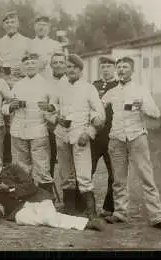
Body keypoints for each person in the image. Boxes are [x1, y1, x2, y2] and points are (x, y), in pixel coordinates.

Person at [101, 56, 161, 232]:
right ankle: (120, 213)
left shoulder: (141, 90)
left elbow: (156, 113)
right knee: (118, 179)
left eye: (125, 67)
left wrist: (143, 106)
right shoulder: (111, 92)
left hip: (137, 137)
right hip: (116, 138)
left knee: (147, 178)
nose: (121, 70)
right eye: (119, 67)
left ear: (132, 70)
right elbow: (98, 108)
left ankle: (157, 217)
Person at [0, 148, 106, 231]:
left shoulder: (13, 168)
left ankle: (87, 224)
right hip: (17, 211)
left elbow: (30, 186)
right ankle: (84, 223)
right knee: (37, 220)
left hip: (36, 199)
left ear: (0, 160)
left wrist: (10, 189)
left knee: (48, 218)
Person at [52, 54, 105, 218]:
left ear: (81, 70)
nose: (71, 70)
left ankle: (91, 211)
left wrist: (89, 133)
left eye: (75, 67)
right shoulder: (60, 88)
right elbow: (54, 108)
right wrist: (54, 115)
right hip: (62, 134)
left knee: (83, 173)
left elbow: (99, 114)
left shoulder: (89, 88)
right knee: (65, 173)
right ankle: (69, 208)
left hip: (80, 135)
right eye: (68, 67)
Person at [2, 53, 56, 196]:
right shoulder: (17, 85)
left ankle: (47, 199)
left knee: (42, 166)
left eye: (33, 63)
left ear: (38, 66)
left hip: (38, 130)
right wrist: (11, 106)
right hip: (18, 130)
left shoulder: (46, 84)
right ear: (23, 67)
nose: (30, 66)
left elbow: (55, 106)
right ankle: (25, 197)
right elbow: (4, 107)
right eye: (27, 64)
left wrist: (49, 107)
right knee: (21, 167)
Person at [90, 56, 118, 217]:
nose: (106, 69)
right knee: (87, 171)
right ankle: (86, 206)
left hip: (112, 135)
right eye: (104, 66)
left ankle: (109, 208)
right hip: (95, 137)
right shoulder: (94, 86)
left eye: (109, 66)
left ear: (114, 68)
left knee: (113, 173)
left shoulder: (119, 86)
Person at [0, 11, 32, 88]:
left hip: (21, 80)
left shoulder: (27, 41)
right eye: (7, 22)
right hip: (2, 81)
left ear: (17, 24)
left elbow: (34, 62)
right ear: (3, 25)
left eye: (13, 22)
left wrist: (23, 69)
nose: (10, 25)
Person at [47, 52, 69, 178]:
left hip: (66, 127)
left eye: (61, 62)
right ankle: (48, 194)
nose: (58, 65)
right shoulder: (46, 83)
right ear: (50, 65)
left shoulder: (71, 82)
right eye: (55, 62)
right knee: (48, 161)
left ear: (66, 64)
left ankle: (70, 193)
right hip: (49, 128)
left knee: (66, 162)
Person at [29, 15, 64, 80]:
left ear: (49, 28)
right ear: (34, 27)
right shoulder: (29, 44)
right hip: (34, 80)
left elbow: (61, 65)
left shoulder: (56, 45)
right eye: (39, 25)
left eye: (44, 25)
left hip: (51, 79)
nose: (41, 28)